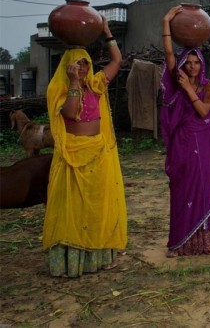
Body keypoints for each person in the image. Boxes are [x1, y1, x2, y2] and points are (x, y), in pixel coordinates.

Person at [42, 17, 127, 277]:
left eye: (84, 63)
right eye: (76, 64)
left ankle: (100, 257)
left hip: (98, 152)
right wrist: (74, 83)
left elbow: (117, 61)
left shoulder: (97, 85)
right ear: (67, 67)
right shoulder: (59, 89)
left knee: (98, 206)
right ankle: (71, 263)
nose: (80, 68)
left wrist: (107, 33)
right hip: (73, 155)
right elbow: (69, 112)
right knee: (74, 208)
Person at [160, 6, 210, 257]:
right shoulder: (177, 80)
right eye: (187, 62)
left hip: (204, 143)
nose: (192, 66)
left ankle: (206, 242)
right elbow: (168, 52)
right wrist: (167, 21)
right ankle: (179, 243)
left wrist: (189, 89)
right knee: (182, 189)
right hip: (183, 143)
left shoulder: (208, 86)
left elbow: (202, 110)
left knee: (205, 187)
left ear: (202, 64)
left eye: (196, 62)